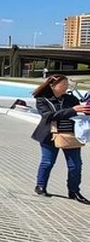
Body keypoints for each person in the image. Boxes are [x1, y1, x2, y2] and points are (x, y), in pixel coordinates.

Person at [30, 74, 89, 204]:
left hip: (70, 135)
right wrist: (72, 110)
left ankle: (74, 191)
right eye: (63, 84)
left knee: (75, 165)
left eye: (67, 84)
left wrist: (85, 109)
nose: (66, 87)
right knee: (48, 162)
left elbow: (79, 113)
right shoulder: (42, 99)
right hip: (49, 135)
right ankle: (40, 186)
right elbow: (48, 116)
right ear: (53, 86)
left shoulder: (71, 99)